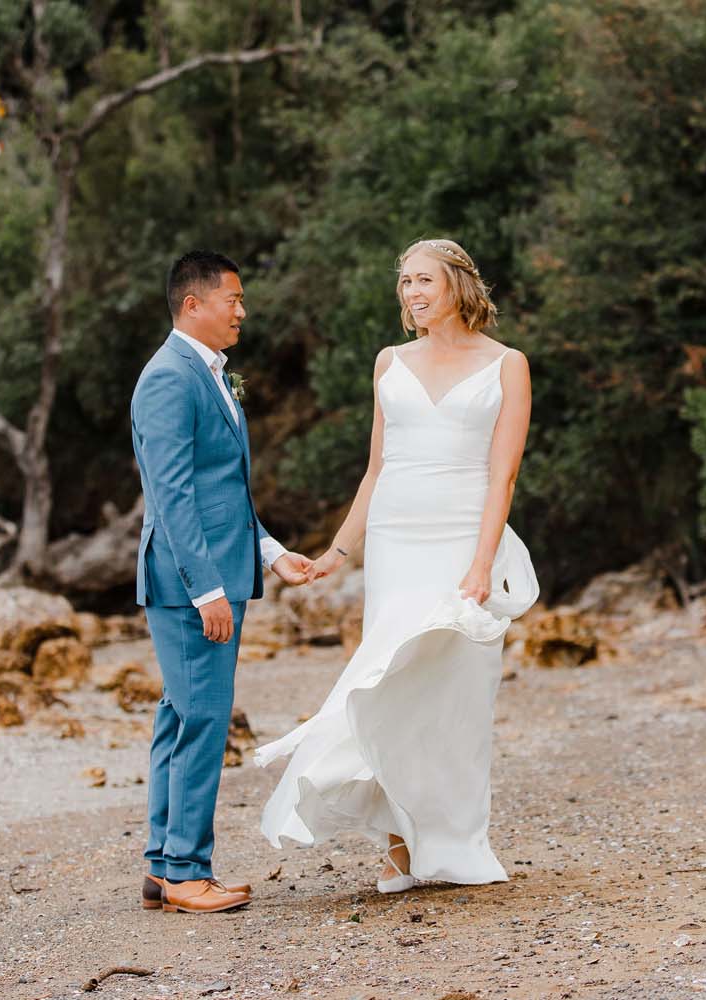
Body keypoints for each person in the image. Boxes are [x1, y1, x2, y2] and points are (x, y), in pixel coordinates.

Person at [256, 238, 539, 893]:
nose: (412, 293)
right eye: (405, 282)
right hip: (396, 539)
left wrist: (480, 563)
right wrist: (337, 552)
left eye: (424, 281)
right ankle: (400, 849)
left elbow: (505, 474)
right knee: (389, 685)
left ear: (459, 285)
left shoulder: (507, 365)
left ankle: (459, 843)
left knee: (456, 694)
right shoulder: (389, 361)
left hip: (462, 534)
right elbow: (376, 469)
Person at [130, 250, 313, 914]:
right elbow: (172, 496)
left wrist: (270, 552)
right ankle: (184, 870)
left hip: (215, 569)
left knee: (181, 716)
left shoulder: (209, 374)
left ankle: (163, 864)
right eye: (232, 299)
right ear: (193, 305)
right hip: (188, 583)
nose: (242, 311)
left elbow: (222, 489)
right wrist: (206, 589)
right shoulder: (169, 379)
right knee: (203, 719)